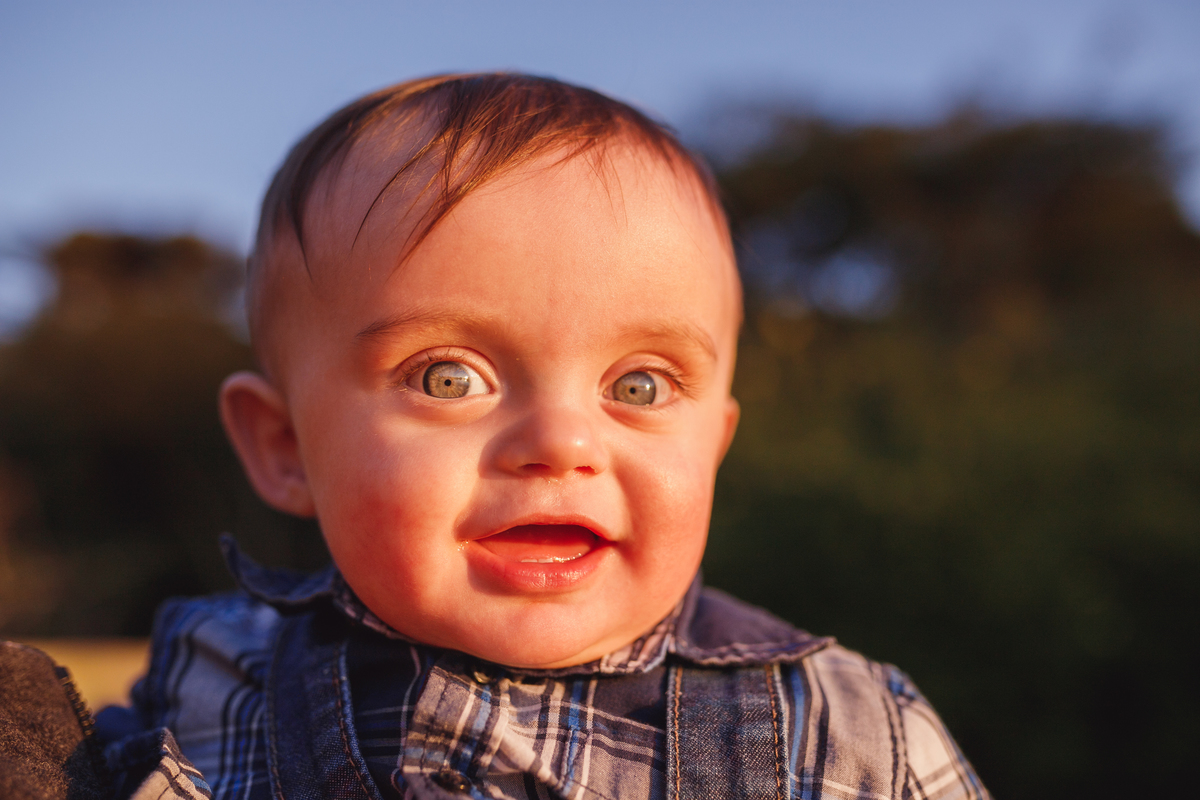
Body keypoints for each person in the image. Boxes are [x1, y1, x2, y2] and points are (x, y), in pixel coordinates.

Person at [94, 73, 990, 800]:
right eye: (449, 378)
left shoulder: (851, 730)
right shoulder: (211, 677)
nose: (561, 444)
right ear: (283, 446)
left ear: (713, 446)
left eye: (638, 386)